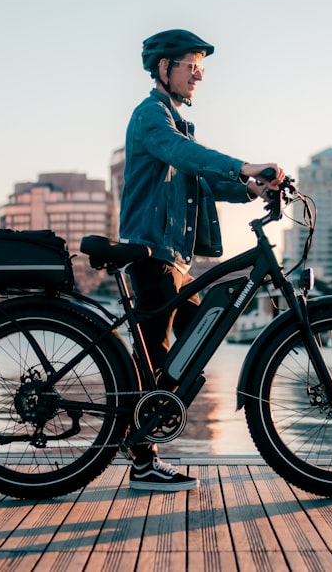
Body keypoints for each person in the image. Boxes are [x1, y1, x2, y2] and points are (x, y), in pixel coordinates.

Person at [119, 29, 284, 491]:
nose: (198, 74)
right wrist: (244, 165)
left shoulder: (172, 120)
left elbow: (200, 182)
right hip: (150, 252)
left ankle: (143, 436)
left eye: (201, 67)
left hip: (170, 257)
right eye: (190, 65)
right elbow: (184, 155)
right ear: (163, 68)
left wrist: (249, 188)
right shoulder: (152, 117)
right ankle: (143, 460)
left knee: (194, 342)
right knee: (155, 359)